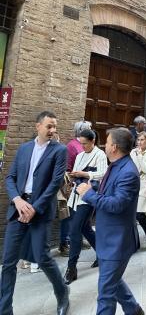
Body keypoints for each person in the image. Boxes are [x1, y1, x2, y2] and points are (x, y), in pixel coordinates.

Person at [0, 111, 69, 315]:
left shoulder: (59, 150)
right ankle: (5, 310)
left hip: (40, 210)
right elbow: (10, 178)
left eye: (55, 126)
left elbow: (55, 183)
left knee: (43, 257)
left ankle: (62, 294)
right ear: (37, 126)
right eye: (49, 126)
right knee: (8, 262)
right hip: (18, 209)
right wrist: (18, 200)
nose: (53, 130)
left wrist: (34, 208)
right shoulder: (24, 149)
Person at [77, 128, 144, 315]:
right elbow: (111, 190)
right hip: (107, 238)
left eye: (106, 142)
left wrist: (88, 195)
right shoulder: (116, 164)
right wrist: (94, 186)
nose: (104, 145)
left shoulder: (128, 172)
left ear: (114, 147)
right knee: (112, 281)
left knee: (105, 293)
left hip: (118, 241)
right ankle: (134, 310)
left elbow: (117, 204)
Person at [63, 129, 108, 284]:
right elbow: (77, 173)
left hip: (89, 197)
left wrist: (85, 174)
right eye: (80, 143)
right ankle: (103, 255)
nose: (82, 146)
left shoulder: (100, 154)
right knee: (85, 228)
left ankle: (71, 268)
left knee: (74, 229)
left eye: (85, 143)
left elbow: (103, 174)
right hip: (76, 195)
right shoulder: (80, 155)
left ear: (93, 141)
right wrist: (72, 177)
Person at [59, 120, 92, 256]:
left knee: (80, 213)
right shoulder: (72, 146)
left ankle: (77, 238)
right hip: (72, 184)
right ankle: (64, 243)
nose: (92, 130)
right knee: (67, 214)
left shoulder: (84, 145)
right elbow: (67, 167)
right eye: (89, 128)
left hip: (84, 185)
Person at [130, 132, 146, 248]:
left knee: (139, 213)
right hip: (132, 183)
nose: (139, 142)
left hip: (143, 183)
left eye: (142, 140)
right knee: (132, 214)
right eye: (138, 140)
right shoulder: (133, 152)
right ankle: (135, 242)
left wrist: (140, 155)